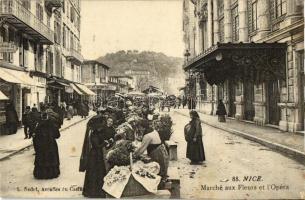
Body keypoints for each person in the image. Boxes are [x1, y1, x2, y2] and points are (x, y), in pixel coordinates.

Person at [80, 111, 109, 198]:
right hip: (94, 155)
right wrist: (104, 143)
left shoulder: (97, 133)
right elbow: (97, 146)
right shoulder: (94, 134)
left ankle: (97, 190)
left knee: (98, 172)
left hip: (97, 155)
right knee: (95, 172)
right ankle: (94, 192)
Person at [134, 120, 169, 184]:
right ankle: (162, 179)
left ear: (143, 128)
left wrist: (134, 155)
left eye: (139, 128)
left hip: (157, 153)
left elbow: (142, 149)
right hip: (162, 150)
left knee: (157, 169)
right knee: (161, 168)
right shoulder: (153, 131)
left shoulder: (147, 136)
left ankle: (160, 183)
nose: (139, 129)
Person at [33, 111, 61, 179]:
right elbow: (57, 135)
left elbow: (35, 137)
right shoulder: (52, 124)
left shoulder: (38, 125)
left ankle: (41, 174)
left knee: (41, 158)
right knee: (51, 158)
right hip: (51, 145)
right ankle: (52, 173)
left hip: (41, 146)